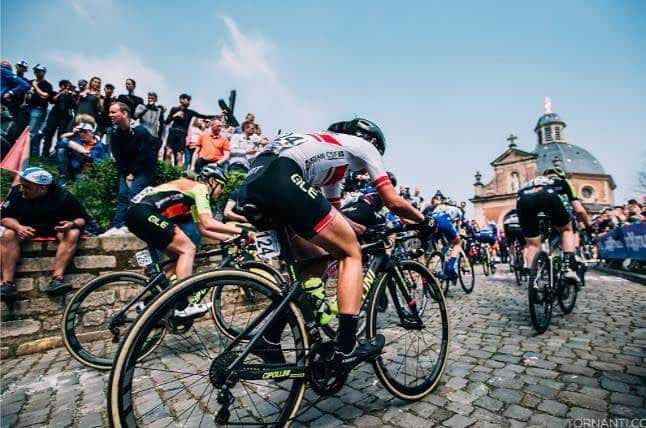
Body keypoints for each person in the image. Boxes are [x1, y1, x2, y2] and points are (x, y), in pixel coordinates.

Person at [236, 118, 435, 370]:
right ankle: (346, 347)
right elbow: (392, 201)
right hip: (282, 176)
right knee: (350, 253)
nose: (361, 173)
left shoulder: (329, 156)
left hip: (253, 184)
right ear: (372, 141)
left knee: (316, 257)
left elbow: (336, 216)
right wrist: (425, 221)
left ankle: (269, 338)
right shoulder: (364, 146)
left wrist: (359, 228)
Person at [125, 165, 249, 316]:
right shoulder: (200, 189)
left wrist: (229, 238)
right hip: (144, 212)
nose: (221, 192)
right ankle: (182, 306)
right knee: (188, 249)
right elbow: (209, 222)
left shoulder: (190, 195)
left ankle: (148, 303)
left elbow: (202, 228)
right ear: (211, 181)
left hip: (135, 214)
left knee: (177, 259)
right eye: (221, 186)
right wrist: (243, 231)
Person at [1, 167, 90, 301]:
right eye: (21, 185)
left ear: (42, 188)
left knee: (72, 233)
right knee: (8, 234)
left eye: (27, 187)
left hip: (54, 228)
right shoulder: (16, 192)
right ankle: (7, 284)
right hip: (24, 228)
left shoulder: (63, 196)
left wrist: (71, 224)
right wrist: (18, 227)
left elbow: (82, 218)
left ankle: (57, 279)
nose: (21, 189)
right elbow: (4, 217)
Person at [516, 166, 592, 283]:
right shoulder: (563, 182)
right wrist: (588, 224)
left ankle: (533, 278)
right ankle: (567, 267)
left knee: (532, 244)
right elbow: (579, 210)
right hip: (548, 198)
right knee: (566, 230)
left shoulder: (532, 182)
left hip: (523, 199)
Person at [101, 102, 157, 236]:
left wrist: (132, 174)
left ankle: (130, 225)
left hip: (143, 169)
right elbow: (118, 156)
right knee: (122, 195)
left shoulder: (140, 131)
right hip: (126, 170)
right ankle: (117, 225)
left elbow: (144, 155)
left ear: (124, 113)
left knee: (134, 194)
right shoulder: (114, 132)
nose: (110, 115)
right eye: (110, 112)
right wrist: (126, 174)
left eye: (113, 112)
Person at [164, 93, 215, 167]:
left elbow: (203, 116)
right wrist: (174, 115)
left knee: (179, 155)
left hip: (182, 134)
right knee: (168, 152)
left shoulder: (190, 112)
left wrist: (217, 116)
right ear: (181, 99)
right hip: (173, 132)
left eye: (189, 100)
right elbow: (167, 121)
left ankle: (178, 174)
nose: (189, 102)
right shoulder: (174, 109)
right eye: (187, 99)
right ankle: (165, 172)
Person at [55, 116, 109, 185]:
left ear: (92, 133)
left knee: (82, 183)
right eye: (80, 131)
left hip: (88, 173)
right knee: (61, 150)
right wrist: (78, 147)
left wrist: (91, 157)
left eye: (84, 131)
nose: (82, 134)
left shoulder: (101, 146)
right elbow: (59, 144)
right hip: (74, 170)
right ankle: (64, 177)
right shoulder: (77, 141)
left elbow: (105, 163)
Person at [422, 194, 465, 280]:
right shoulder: (457, 210)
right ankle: (450, 266)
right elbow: (458, 227)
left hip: (431, 224)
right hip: (444, 222)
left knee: (444, 246)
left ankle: (439, 263)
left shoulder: (439, 207)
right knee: (457, 242)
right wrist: (460, 235)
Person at [27, 64, 54, 156]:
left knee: (32, 133)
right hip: (26, 108)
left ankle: (28, 155)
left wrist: (35, 86)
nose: (37, 72)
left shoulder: (47, 85)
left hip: (38, 109)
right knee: (24, 132)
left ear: (44, 72)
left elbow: (44, 96)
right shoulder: (29, 82)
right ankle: (31, 154)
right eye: (36, 70)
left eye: (40, 71)